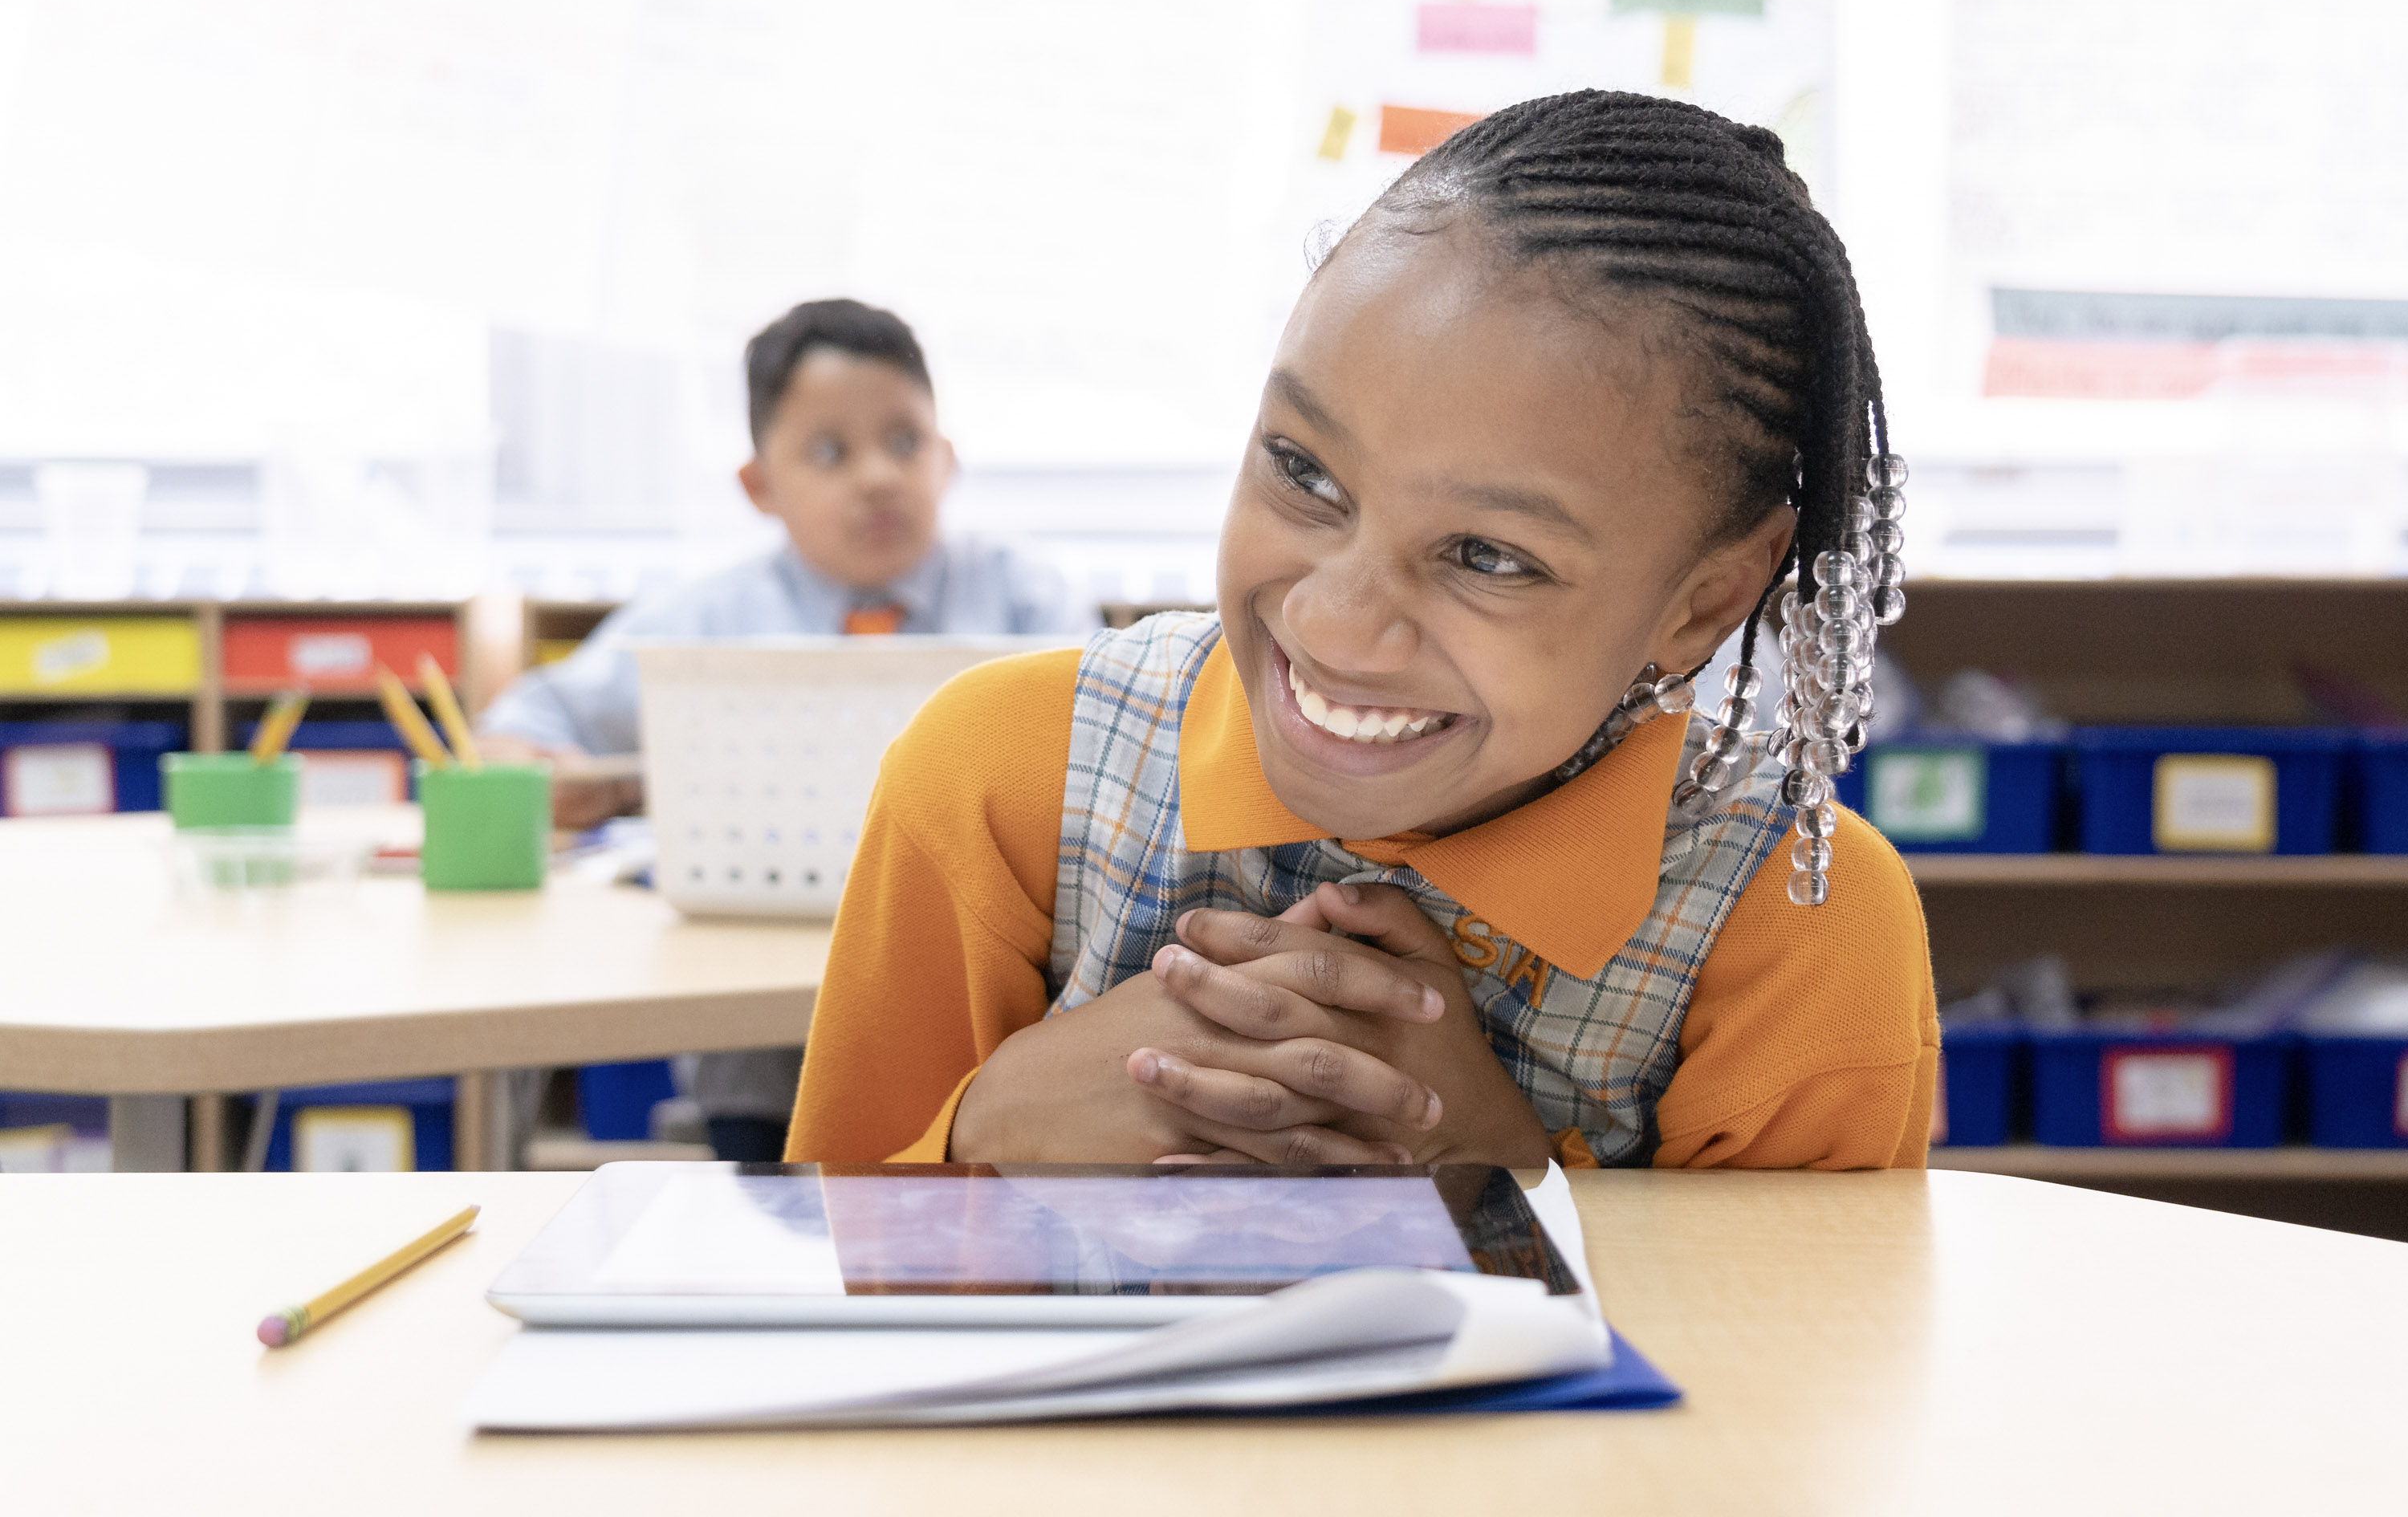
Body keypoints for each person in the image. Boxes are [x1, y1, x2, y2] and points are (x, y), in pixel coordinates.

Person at [785, 92, 1936, 1172]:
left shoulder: (1795, 935)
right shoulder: (1005, 777)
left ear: (1703, 602)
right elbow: (793, 1306)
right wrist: (987, 1131)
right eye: (1303, 472)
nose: (1333, 621)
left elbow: (1794, 1372)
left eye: (1490, 557)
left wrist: (1497, 1177)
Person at [481, 297, 1085, 1161]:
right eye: (831, 451)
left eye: (904, 441)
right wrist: (545, 768)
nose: (877, 474)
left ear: (947, 460)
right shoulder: (712, 620)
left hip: (990, 1042)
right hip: (766, 1064)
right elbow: (524, 722)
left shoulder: (1030, 602)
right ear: (759, 486)